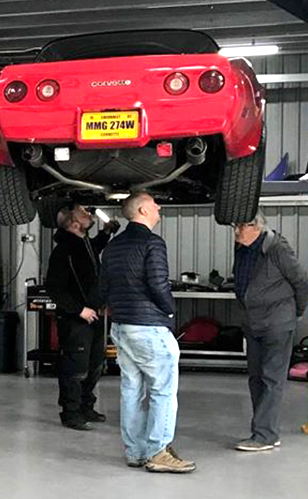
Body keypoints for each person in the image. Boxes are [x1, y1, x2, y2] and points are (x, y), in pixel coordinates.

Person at [98, 192, 195, 474]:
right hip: (149, 326)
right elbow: (158, 284)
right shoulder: (152, 243)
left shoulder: (113, 248)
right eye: (154, 204)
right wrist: (169, 311)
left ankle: (135, 452)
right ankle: (159, 452)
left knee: (131, 390)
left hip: (122, 328)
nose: (159, 207)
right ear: (142, 210)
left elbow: (104, 288)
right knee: (163, 392)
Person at [231, 210, 308, 452]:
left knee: (271, 378)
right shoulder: (243, 248)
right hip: (253, 322)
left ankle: (265, 435)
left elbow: (303, 283)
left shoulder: (277, 248)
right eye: (235, 226)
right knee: (256, 377)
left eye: (241, 226)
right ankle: (263, 430)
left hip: (277, 323)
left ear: (256, 227)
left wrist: (294, 313)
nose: (236, 231)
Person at [46, 203, 120, 431]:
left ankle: (87, 406)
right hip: (76, 319)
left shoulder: (82, 243)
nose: (89, 214)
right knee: (75, 368)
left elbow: (93, 249)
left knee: (95, 364)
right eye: (82, 213)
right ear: (74, 224)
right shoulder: (63, 252)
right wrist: (79, 310)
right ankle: (71, 413)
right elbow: (54, 287)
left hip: (94, 317)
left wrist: (106, 232)